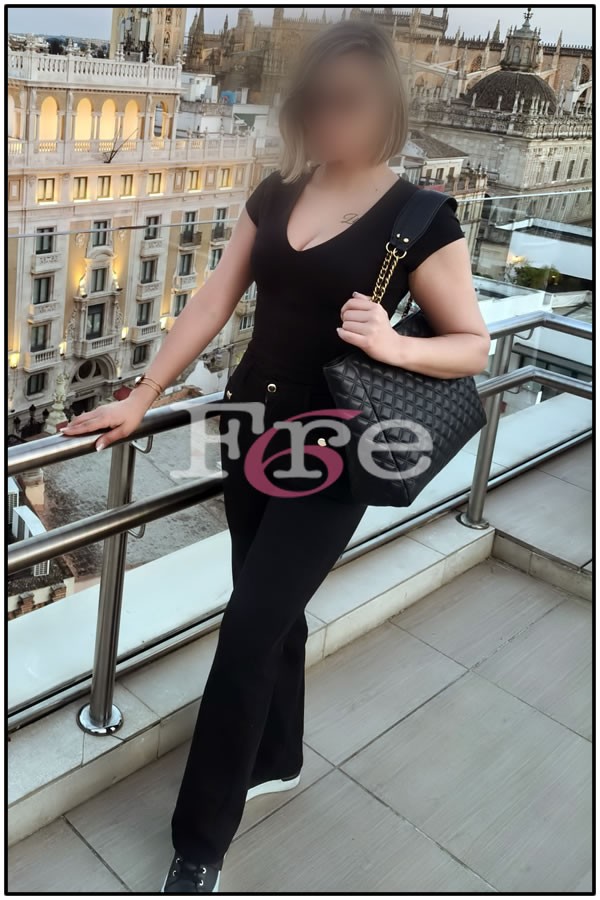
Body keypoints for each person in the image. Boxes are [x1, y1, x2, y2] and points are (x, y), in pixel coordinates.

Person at [61, 20, 490, 894]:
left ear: (385, 106)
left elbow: (472, 345)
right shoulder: (278, 189)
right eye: (317, 100)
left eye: (350, 102)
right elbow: (211, 303)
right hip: (246, 424)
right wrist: (144, 395)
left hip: (333, 445)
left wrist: (395, 345)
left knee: (247, 631)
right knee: (270, 609)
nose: (330, 116)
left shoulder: (419, 218)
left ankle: (201, 840)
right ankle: (280, 753)